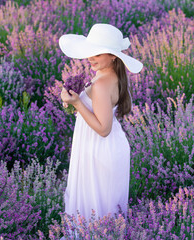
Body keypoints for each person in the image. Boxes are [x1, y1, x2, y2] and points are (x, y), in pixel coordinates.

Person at [59, 23, 143, 222]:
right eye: (90, 52)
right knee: (100, 211)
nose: (91, 58)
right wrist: (72, 103)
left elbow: (103, 129)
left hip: (100, 149)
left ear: (113, 56)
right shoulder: (107, 76)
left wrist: (77, 102)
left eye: (97, 53)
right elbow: (96, 114)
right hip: (101, 147)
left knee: (95, 210)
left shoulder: (103, 83)